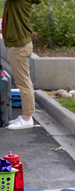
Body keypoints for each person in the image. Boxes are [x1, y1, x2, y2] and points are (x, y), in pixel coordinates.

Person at [2, 0, 42, 130]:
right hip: (18, 43)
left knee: (23, 82)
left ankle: (27, 118)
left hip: (18, 46)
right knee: (23, 81)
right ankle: (26, 116)